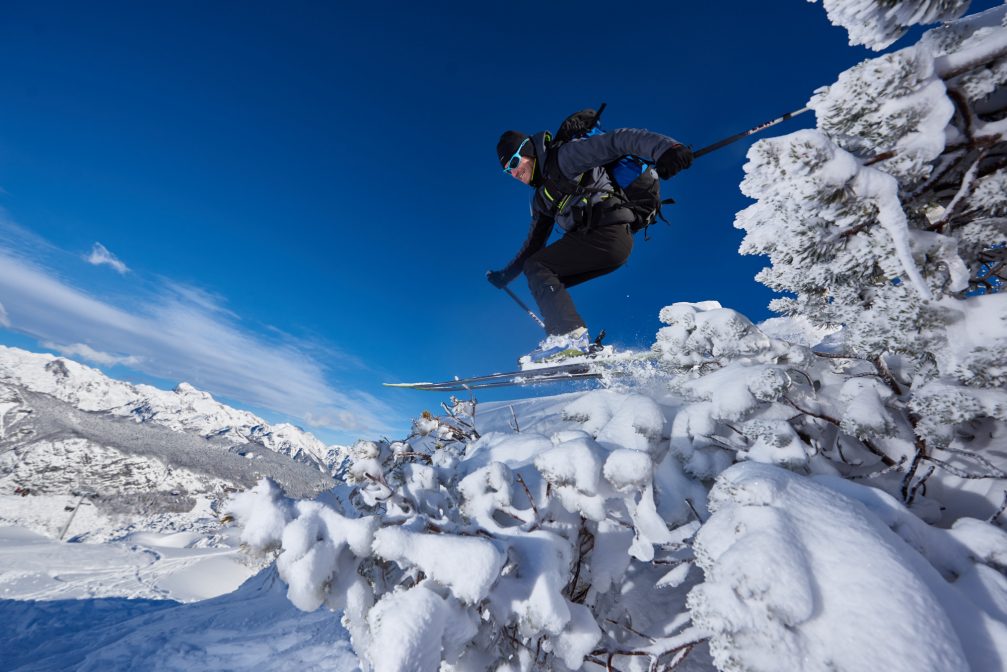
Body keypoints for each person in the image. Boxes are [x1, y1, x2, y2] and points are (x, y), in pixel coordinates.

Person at [487, 122, 693, 362]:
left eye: (514, 163)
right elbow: (533, 245)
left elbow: (617, 141)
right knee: (541, 278)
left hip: (608, 233)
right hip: (599, 244)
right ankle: (565, 346)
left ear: (528, 151)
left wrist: (667, 148)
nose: (514, 174)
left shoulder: (565, 157)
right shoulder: (540, 200)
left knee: (539, 268)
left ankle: (570, 339)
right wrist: (506, 275)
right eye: (507, 171)